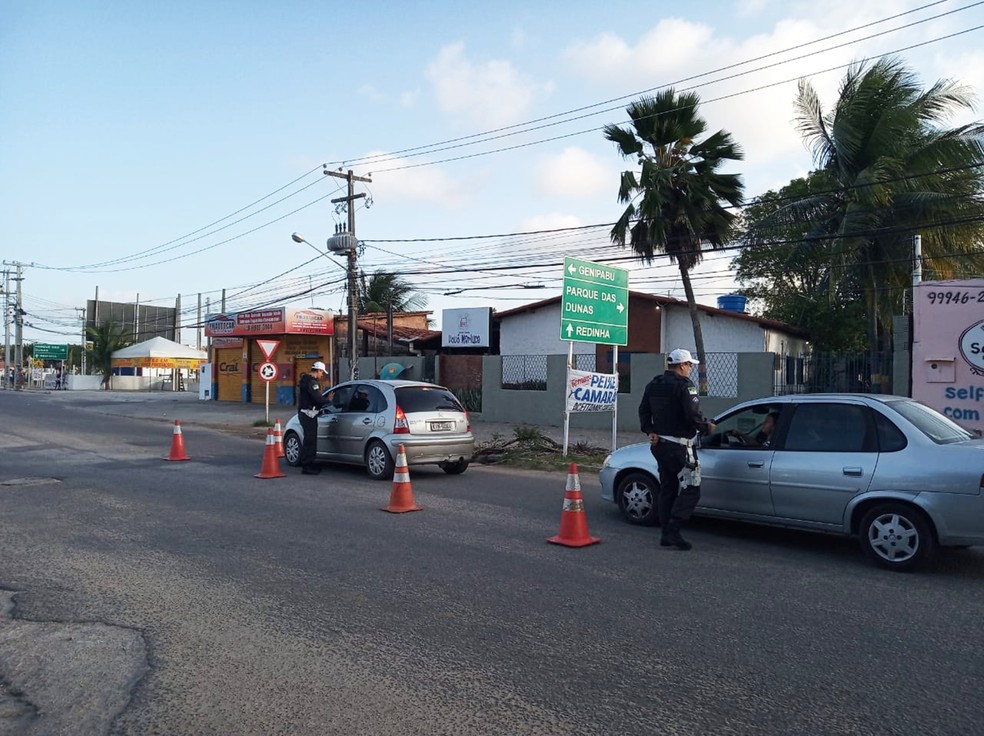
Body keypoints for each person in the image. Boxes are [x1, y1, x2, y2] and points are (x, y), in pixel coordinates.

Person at [638, 348, 716, 551]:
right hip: (680, 448)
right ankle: (673, 529)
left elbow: (643, 410)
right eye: (689, 365)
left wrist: (649, 430)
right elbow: (692, 414)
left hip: (660, 446)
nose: (690, 369)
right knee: (692, 489)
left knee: (668, 488)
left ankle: (665, 533)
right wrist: (706, 427)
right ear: (681, 365)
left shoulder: (654, 384)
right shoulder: (685, 386)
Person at [297, 360, 328, 475]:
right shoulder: (312, 382)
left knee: (308, 439)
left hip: (305, 413)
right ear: (318, 371)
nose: (322, 375)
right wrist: (328, 400)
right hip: (309, 414)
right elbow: (318, 399)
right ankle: (307, 466)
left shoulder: (305, 380)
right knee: (310, 440)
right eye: (322, 372)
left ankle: (308, 463)